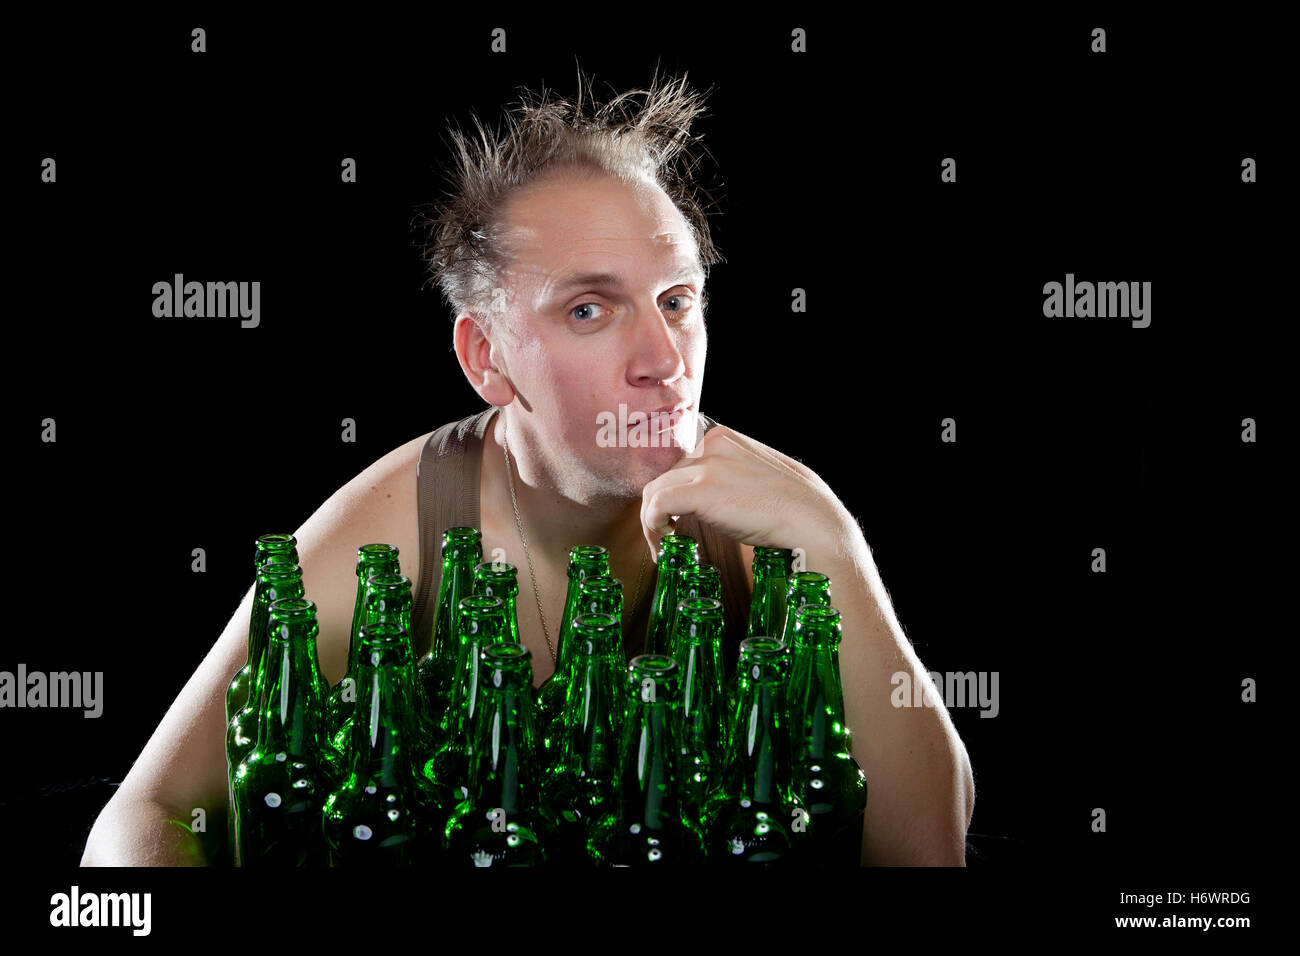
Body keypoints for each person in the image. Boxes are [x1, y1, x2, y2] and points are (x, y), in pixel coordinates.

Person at [81, 68, 974, 867]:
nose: (663, 357)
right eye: (590, 309)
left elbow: (926, 849)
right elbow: (149, 809)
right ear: (487, 359)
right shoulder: (395, 528)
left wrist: (843, 558)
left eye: (677, 301)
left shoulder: (767, 522)